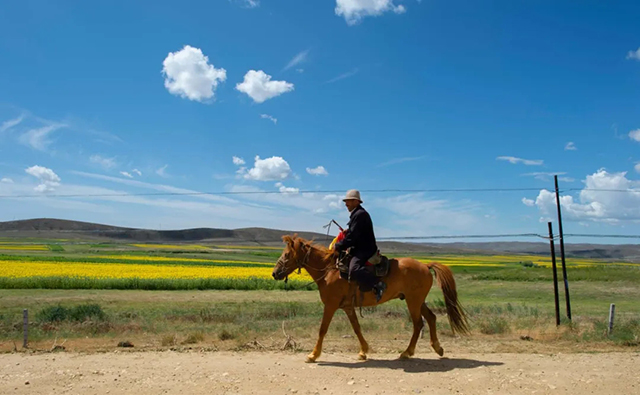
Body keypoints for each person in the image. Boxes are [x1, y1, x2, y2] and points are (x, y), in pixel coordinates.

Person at [333, 189, 386, 302]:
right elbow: (354, 233)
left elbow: (352, 237)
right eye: (346, 201)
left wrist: (339, 245)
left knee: (354, 269)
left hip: (364, 250)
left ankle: (377, 284)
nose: (346, 204)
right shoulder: (356, 214)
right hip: (359, 248)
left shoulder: (360, 215)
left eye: (349, 201)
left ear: (356, 202)